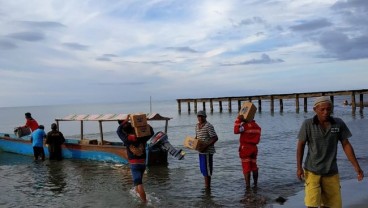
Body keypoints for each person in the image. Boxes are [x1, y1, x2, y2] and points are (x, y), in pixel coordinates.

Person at [296, 96, 364, 208]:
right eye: (322, 109)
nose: (326, 112)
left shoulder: (338, 124)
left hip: (331, 171)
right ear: (315, 110)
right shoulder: (308, 124)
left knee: (332, 205)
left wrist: (357, 167)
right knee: (312, 204)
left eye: (328, 109)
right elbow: (301, 145)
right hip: (312, 171)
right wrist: (299, 168)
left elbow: (346, 144)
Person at [116, 116, 154, 203]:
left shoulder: (126, 139)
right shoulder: (141, 137)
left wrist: (125, 120)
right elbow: (151, 132)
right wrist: (144, 123)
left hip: (135, 165)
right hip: (143, 163)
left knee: (139, 184)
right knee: (137, 183)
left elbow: (118, 130)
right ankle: (139, 196)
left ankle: (145, 203)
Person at [234, 114, 261, 190]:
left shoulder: (244, 126)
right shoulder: (257, 127)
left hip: (245, 148)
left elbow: (236, 131)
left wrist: (238, 120)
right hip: (254, 148)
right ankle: (255, 184)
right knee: (254, 166)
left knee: (246, 168)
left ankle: (248, 186)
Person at [195, 110, 218, 189]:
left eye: (202, 116)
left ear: (205, 117)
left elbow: (215, 138)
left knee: (207, 171)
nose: (200, 118)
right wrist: (193, 144)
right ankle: (206, 187)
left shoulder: (208, 126)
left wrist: (205, 146)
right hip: (201, 152)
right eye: (199, 116)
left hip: (208, 152)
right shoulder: (197, 126)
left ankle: (208, 188)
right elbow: (197, 138)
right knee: (203, 170)